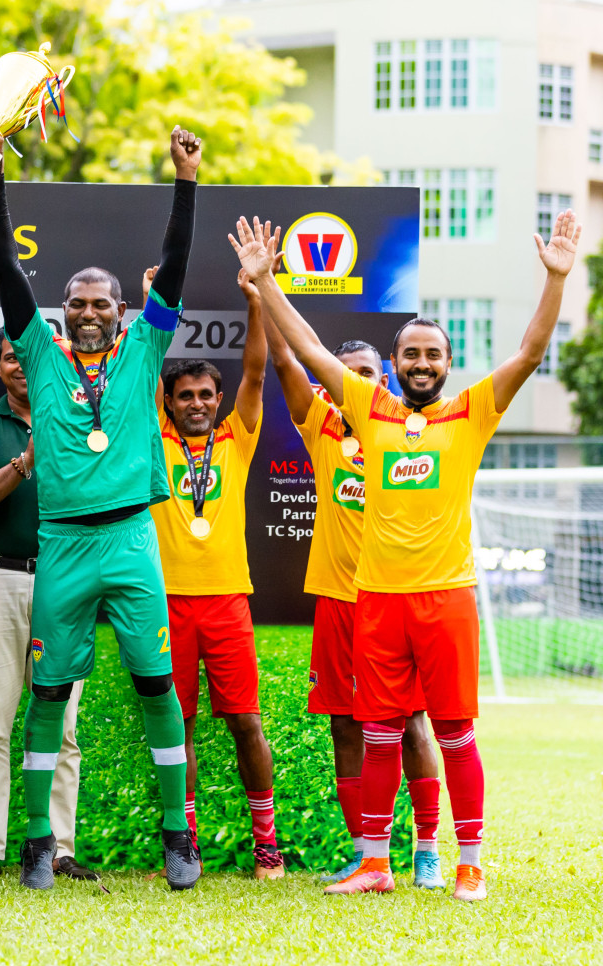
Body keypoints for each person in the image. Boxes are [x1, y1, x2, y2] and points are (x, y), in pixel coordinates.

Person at [232, 208, 582, 900]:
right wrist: (266, 283)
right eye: (411, 354)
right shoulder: (369, 408)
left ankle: (469, 861)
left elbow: (531, 353)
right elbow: (305, 347)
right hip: (376, 601)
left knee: (453, 731)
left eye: (433, 354)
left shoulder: (473, 412)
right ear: (393, 366)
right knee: (381, 731)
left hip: (446, 597)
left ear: (448, 364)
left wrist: (556, 281)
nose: (422, 363)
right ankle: (373, 863)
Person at [0, 126, 204, 890]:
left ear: (120, 308)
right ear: (62, 309)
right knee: (48, 694)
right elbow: (6, 268)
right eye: (75, 301)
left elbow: (173, 268)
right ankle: (40, 839)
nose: (86, 311)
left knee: (155, 684)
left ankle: (179, 833)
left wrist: (185, 181)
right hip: (63, 547)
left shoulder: (145, 347)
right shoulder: (39, 352)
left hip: (132, 540)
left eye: (99, 301)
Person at [263, 306, 445, 888]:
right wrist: (261, 298)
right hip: (339, 603)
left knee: (412, 726)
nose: (354, 382)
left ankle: (427, 851)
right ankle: (369, 854)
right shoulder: (321, 426)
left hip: (395, 597)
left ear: (384, 378)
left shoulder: (406, 432)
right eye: (343, 373)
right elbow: (287, 360)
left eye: (365, 372)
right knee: (345, 727)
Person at [149, 271, 280, 879]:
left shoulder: (237, 437)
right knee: (181, 726)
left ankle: (266, 843)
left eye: (206, 394)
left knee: (247, 722)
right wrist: (154, 304)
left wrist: (257, 302)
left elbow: (255, 371)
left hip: (228, 601)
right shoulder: (154, 438)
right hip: (167, 602)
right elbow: (143, 364)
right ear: (169, 402)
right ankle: (186, 844)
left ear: (217, 401)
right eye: (186, 396)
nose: (197, 403)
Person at [0, 335, 92, 881]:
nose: (21, 366)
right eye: (11, 357)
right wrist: (25, 462)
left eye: (30, 356)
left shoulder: (82, 415)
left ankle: (57, 850)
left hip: (65, 584)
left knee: (62, 727)